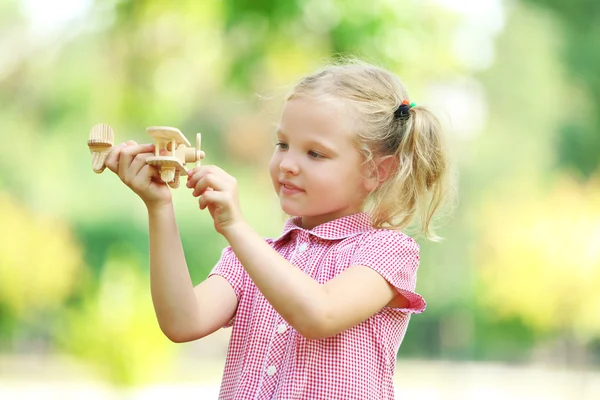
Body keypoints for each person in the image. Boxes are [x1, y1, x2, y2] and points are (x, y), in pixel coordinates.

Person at [105, 60, 453, 400]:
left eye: (315, 153)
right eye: (282, 144)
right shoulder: (252, 257)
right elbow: (183, 321)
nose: (287, 164)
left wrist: (236, 228)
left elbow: (321, 313)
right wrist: (159, 207)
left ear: (377, 172)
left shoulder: (387, 250)